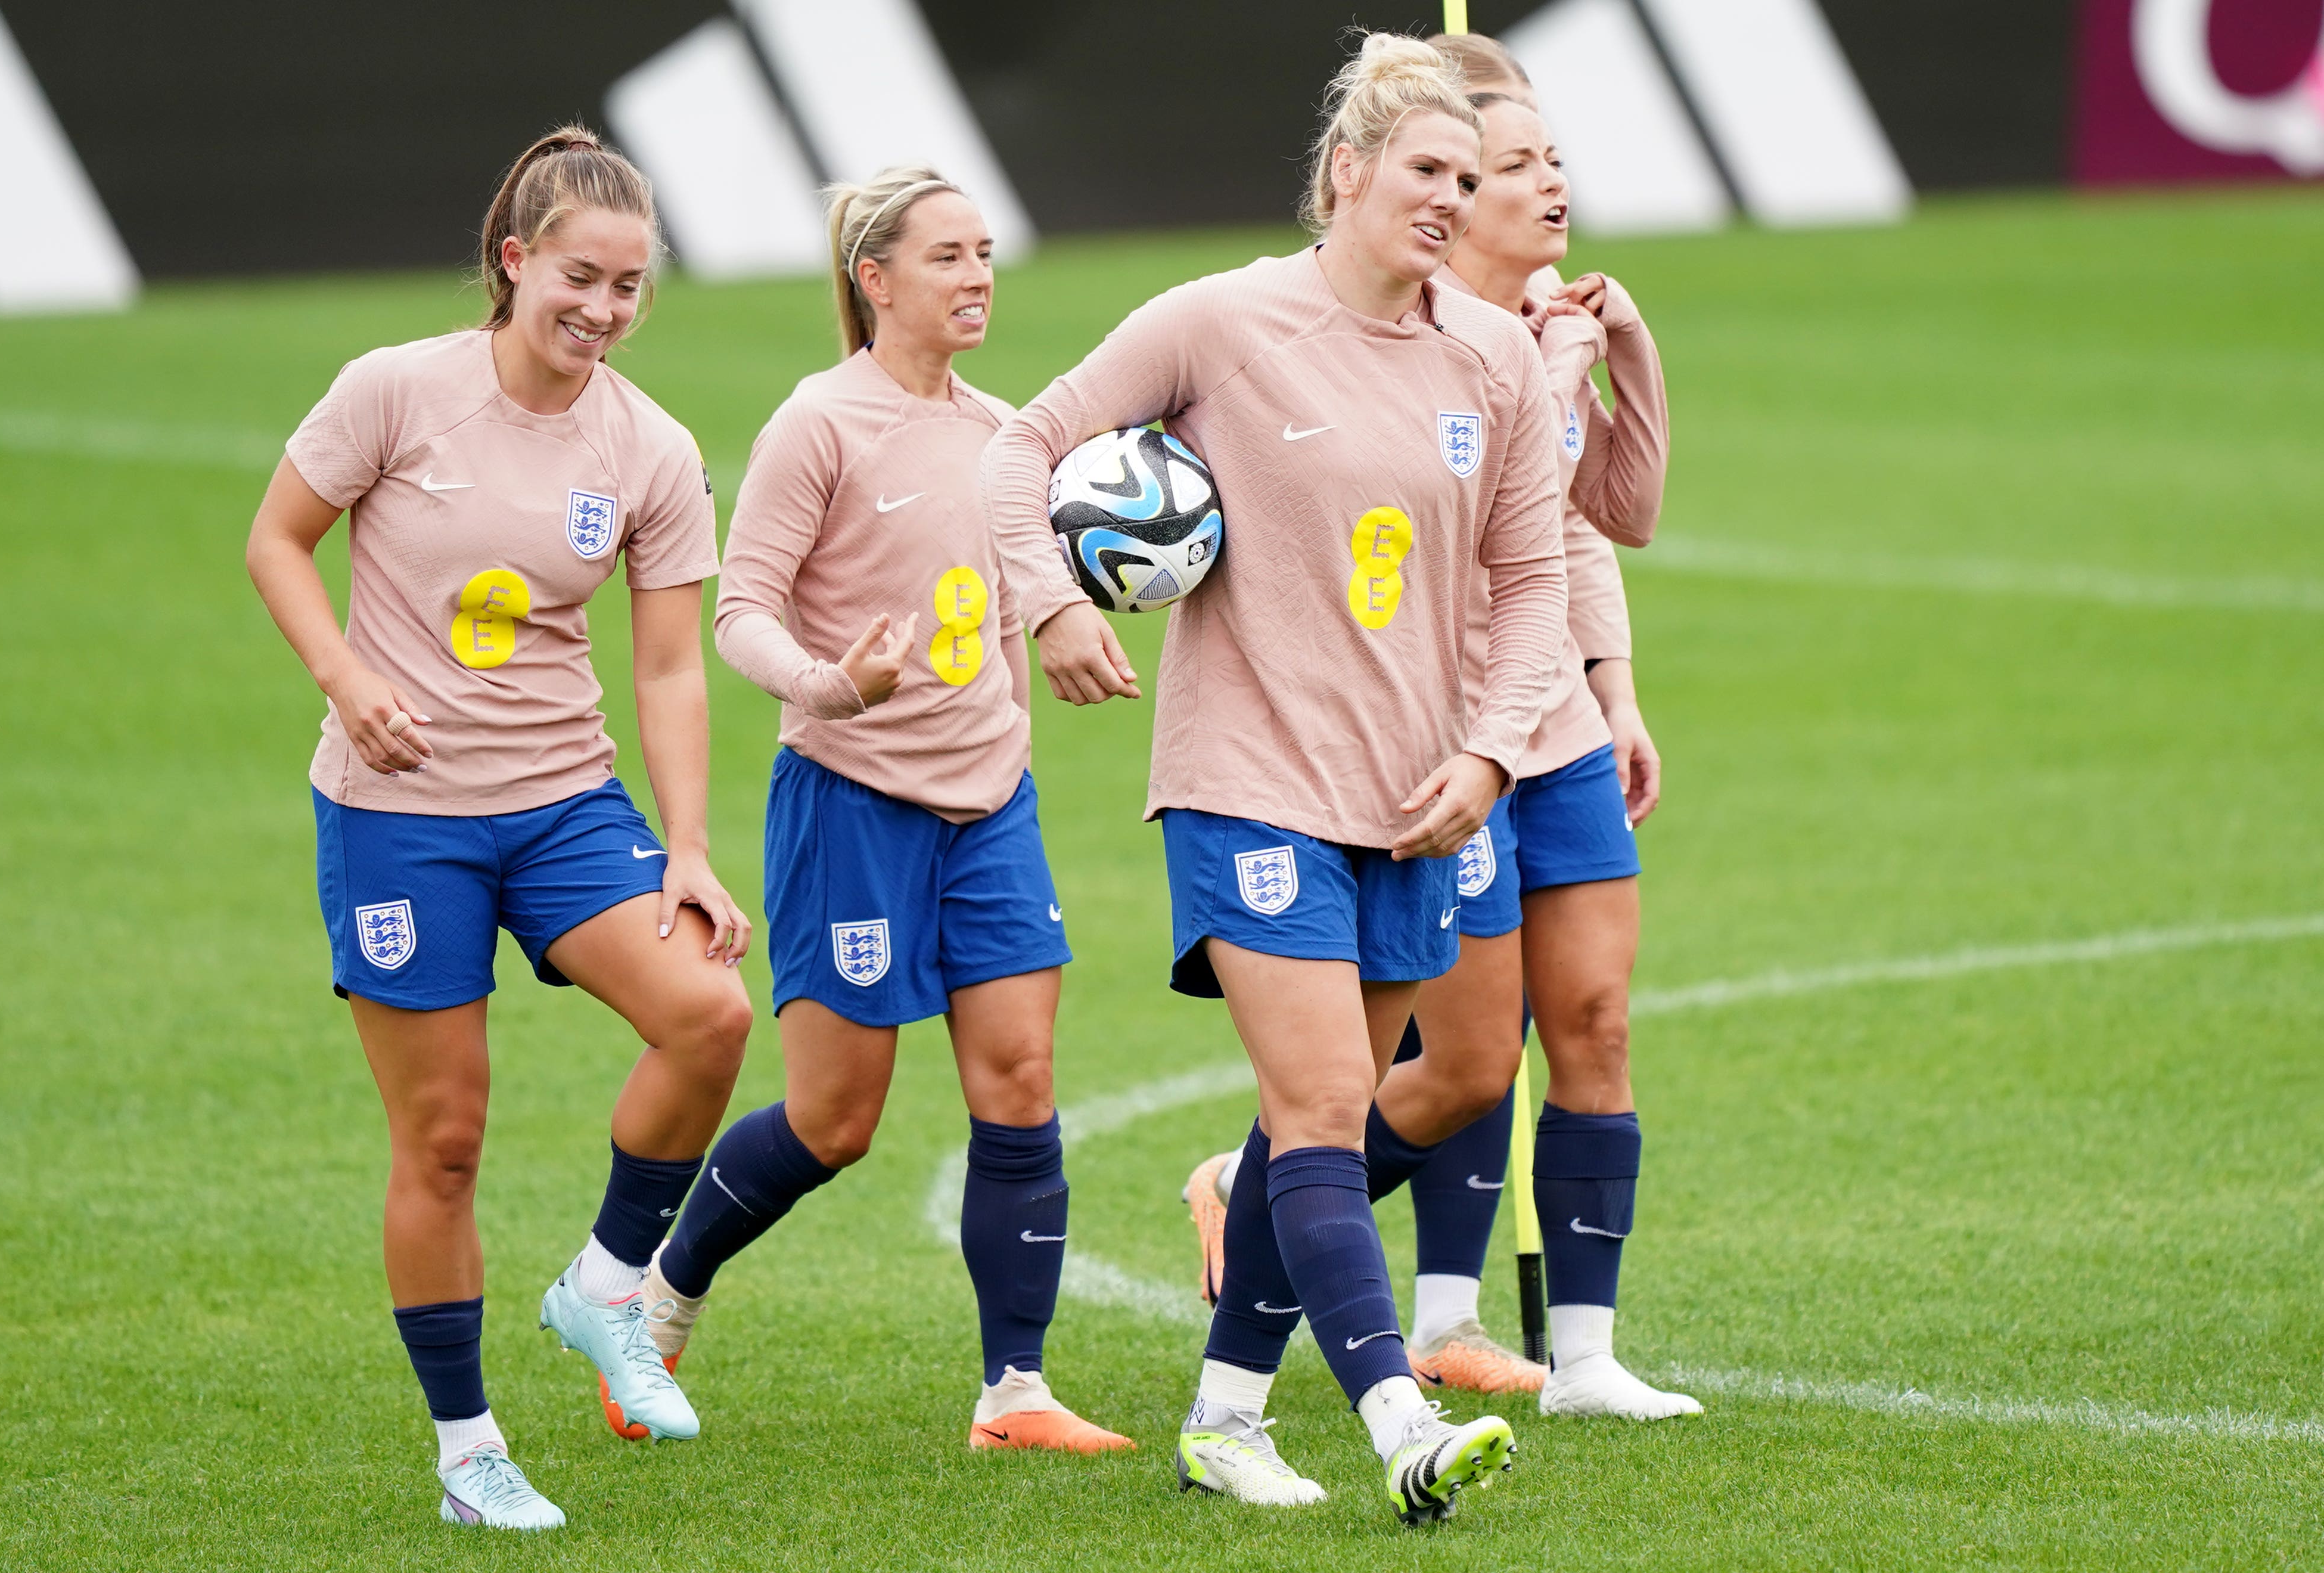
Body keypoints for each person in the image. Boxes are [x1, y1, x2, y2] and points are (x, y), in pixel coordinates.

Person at [982, 33, 1567, 1524]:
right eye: (1426, 172)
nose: (1452, 197)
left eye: (1471, 174)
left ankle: (1225, 1418)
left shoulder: (1489, 357)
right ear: (1346, 173)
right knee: (1319, 1105)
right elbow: (1023, 450)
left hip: (1416, 797)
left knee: (1325, 1109)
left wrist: (1492, 754)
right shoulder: (1220, 321)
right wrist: (1050, 605)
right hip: (1248, 778)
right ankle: (1394, 1425)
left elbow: (1532, 578)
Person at [243, 127, 755, 1530]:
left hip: (563, 806)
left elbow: (666, 668)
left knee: (709, 1014)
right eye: (579, 280)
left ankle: (604, 1289)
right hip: (399, 818)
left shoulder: (648, 445)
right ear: (515, 261)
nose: (601, 313)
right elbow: (277, 541)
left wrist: (691, 846)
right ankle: (469, 1450)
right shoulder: (397, 391)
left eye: (631, 288)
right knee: (448, 1142)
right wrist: (347, 683)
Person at [1189, 34, 1692, 1418]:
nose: (1545, 186)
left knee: (1591, 1017)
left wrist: (1617, 681)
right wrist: (1538, 368)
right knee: (1465, 1066)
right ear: (1438, 187)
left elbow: (1606, 527)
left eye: (1547, 161)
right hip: (1434, 730)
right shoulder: (1432, 344)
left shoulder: (1559, 324)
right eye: (1509, 164)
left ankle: (1585, 1358)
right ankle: (1263, 1194)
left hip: (1560, 726)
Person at [637, 166, 1130, 1456]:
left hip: (991, 804)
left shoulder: (1006, 432)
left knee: (1021, 1079)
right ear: (875, 278)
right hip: (851, 802)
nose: (977, 278)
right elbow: (738, 610)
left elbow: (1026, 581)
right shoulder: (820, 425)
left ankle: (1013, 1393)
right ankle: (661, 1291)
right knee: (836, 1120)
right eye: (948, 257)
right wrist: (830, 686)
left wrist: (1067, 643)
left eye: (985, 256)